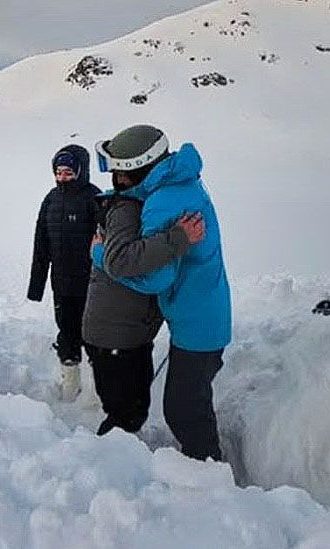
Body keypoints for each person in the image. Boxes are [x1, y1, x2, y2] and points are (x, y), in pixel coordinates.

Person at [92, 125, 232, 461]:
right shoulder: (181, 182)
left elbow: (155, 279)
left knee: (184, 411)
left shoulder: (162, 202)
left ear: (139, 169)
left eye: (119, 172)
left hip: (196, 324)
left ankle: (210, 476)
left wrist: (100, 253)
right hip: (204, 312)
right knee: (190, 402)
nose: (115, 180)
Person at [83, 187, 205, 435]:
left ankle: (114, 458)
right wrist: (179, 237)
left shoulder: (136, 208)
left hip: (126, 333)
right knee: (125, 414)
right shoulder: (127, 210)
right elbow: (122, 262)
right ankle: (105, 464)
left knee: (130, 409)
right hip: (115, 336)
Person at [27, 145, 100, 400]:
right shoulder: (51, 200)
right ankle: (70, 385)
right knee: (67, 331)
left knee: (93, 333)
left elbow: (107, 242)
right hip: (62, 283)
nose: (62, 178)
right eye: (58, 172)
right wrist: (36, 286)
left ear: (81, 172)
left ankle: (95, 391)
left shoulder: (94, 198)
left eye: (68, 172)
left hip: (92, 283)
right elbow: (41, 244)